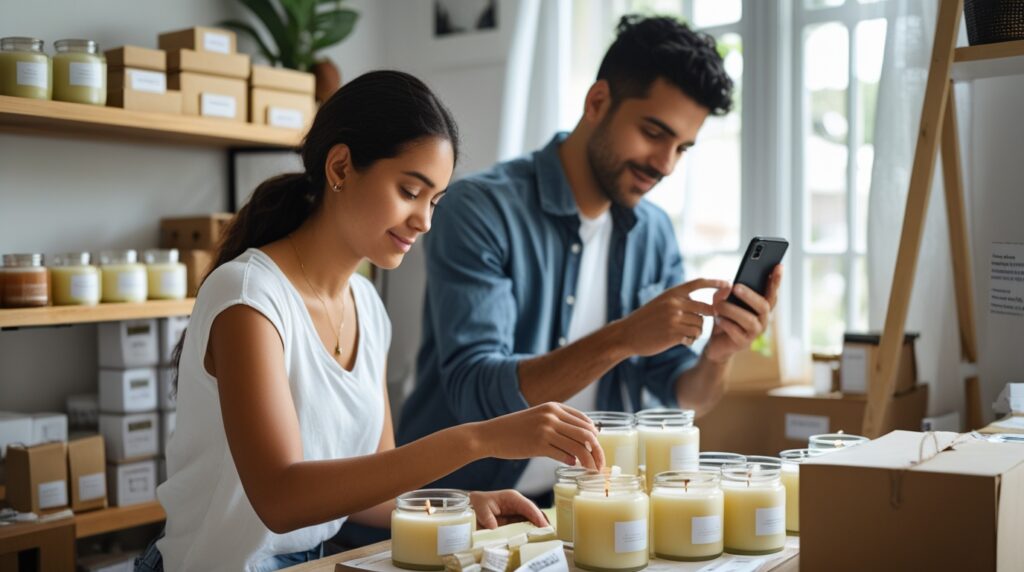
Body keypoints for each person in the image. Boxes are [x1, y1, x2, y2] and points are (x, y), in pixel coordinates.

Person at [135, 70, 604, 572]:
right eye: (410, 190)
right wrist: (479, 438)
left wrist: (463, 504)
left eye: (434, 200)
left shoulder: (366, 304)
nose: (424, 220)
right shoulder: (250, 297)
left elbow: (366, 492)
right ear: (341, 167)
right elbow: (281, 498)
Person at [398, 15, 782, 501]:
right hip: (460, 508)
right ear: (597, 102)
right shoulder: (480, 208)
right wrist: (624, 336)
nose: (665, 164)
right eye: (653, 132)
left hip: (586, 504)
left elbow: (684, 395)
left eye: (681, 148)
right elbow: (475, 390)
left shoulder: (653, 232)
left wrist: (717, 355)